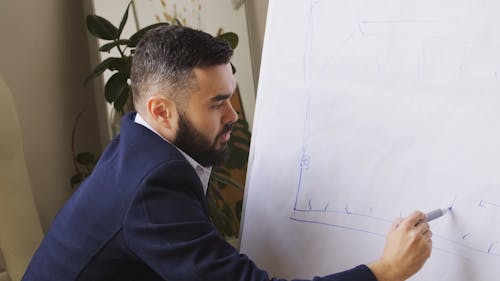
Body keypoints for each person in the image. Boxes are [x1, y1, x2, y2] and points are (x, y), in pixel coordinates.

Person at [22, 25, 432, 281]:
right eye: (217, 103)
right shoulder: (153, 185)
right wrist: (386, 271)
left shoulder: (140, 141)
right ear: (160, 110)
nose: (234, 116)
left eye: (232, 98)